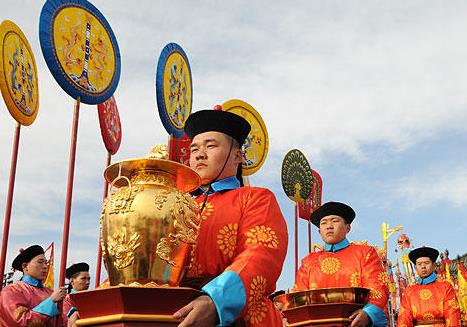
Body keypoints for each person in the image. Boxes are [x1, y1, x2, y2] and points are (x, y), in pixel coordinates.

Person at [174, 109, 288, 326]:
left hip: (242, 316)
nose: (199, 154)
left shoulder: (256, 198)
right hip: (176, 313)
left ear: (237, 155)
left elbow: (261, 254)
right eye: (194, 149)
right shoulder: (176, 204)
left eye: (211, 146)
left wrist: (217, 301)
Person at [293, 202, 389, 327]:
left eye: (334, 221)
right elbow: (299, 295)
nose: (329, 226)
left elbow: (378, 288)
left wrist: (367, 313)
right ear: (319, 231)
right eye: (324, 223)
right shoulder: (308, 261)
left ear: (347, 228)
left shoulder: (365, 253)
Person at [0, 245, 67, 326]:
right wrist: (51, 301)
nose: (45, 267)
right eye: (40, 262)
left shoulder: (50, 292)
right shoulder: (12, 290)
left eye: (46, 263)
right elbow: (20, 322)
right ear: (25, 266)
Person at [397, 247, 461, 327]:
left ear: (434, 265)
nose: (423, 266)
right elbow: (404, 317)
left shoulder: (445, 286)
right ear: (416, 268)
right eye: (419, 264)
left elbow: (453, 315)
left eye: (426, 263)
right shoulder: (409, 290)